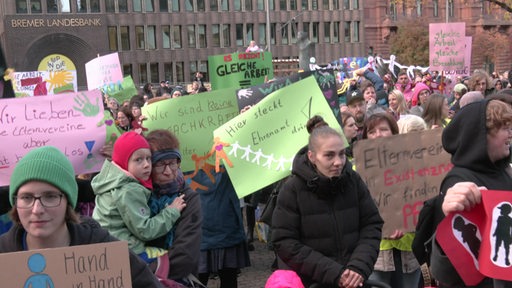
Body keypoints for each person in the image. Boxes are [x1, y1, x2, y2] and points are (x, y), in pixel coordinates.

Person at [0, 146, 162, 287]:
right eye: (26, 198)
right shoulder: (3, 253)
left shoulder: (102, 248)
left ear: (68, 202)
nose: (37, 209)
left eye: (50, 196)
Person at [272, 115, 383, 288]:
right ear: (312, 156)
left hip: (356, 281)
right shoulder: (292, 189)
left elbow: (372, 224)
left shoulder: (353, 181)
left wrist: (358, 267)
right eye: (329, 156)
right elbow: (285, 242)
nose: (338, 162)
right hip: (313, 282)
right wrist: (334, 273)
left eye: (341, 154)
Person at [431, 99, 512, 287]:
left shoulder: (504, 172)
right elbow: (459, 260)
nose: (510, 133)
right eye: (503, 128)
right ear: (481, 136)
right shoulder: (459, 181)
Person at [92, 131, 186, 265]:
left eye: (149, 158)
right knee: (167, 261)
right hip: (125, 251)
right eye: (138, 159)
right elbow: (145, 230)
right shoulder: (129, 190)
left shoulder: (113, 180)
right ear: (124, 162)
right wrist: (172, 211)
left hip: (107, 247)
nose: (147, 164)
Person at [361, 113, 421, 288]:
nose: (378, 134)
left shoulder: (412, 163)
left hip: (409, 247)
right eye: (372, 131)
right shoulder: (357, 170)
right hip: (376, 250)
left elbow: (423, 202)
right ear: (365, 136)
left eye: (383, 129)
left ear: (394, 133)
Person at [145, 129, 203, 286]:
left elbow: (185, 254)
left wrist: (143, 274)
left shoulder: (188, 198)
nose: (168, 171)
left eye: (172, 163)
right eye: (160, 165)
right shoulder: (138, 196)